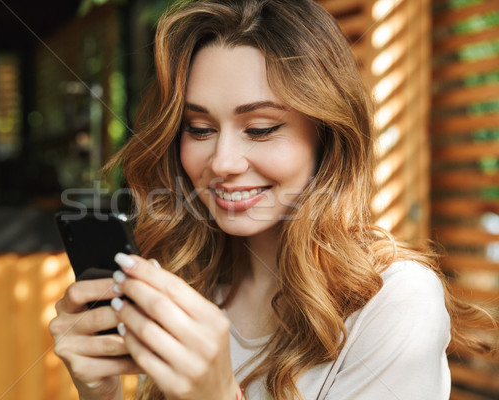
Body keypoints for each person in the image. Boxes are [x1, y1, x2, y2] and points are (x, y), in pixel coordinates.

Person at [49, 1, 495, 399]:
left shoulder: (395, 301)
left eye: (260, 128)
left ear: (327, 134)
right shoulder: (188, 281)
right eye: (200, 129)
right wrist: (103, 396)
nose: (222, 161)